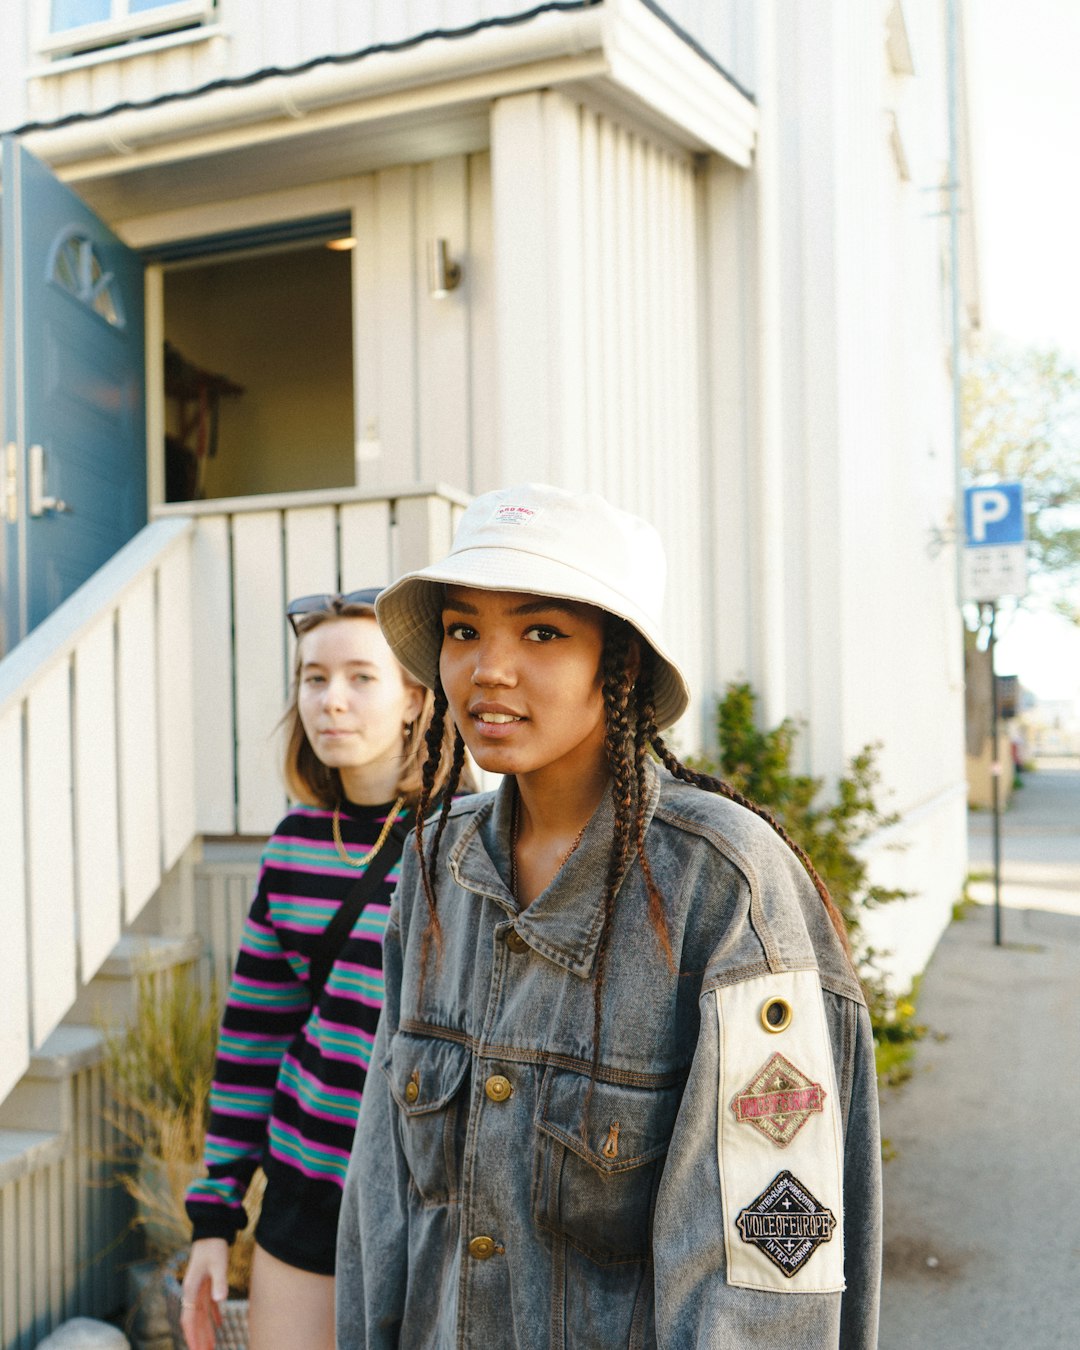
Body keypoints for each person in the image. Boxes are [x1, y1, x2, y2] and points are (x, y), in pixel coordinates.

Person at [336, 485, 882, 1349]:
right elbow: (383, 1196)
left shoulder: (723, 889)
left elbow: (767, 1265)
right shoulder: (435, 863)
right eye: (463, 629)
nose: (489, 668)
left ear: (618, 662)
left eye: (542, 631)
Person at [180, 588, 466, 1350]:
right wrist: (215, 1217)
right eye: (313, 677)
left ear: (414, 697)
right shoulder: (294, 844)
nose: (330, 700)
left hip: (432, 1195)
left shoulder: (468, 844)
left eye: (360, 678)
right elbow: (253, 1040)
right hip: (307, 1181)